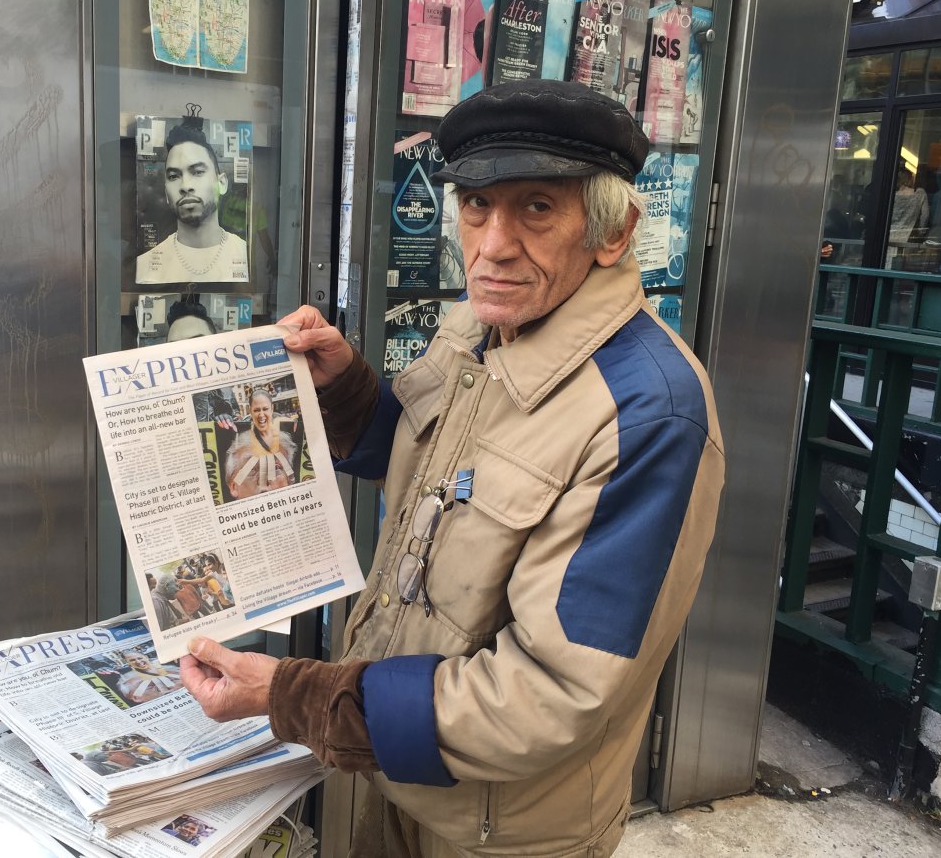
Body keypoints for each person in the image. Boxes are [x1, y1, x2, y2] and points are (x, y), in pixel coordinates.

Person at [179, 79, 725, 857]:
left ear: (612, 232)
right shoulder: (479, 325)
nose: (493, 243)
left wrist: (298, 698)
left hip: (504, 829)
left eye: (537, 207)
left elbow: (554, 694)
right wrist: (345, 392)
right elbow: (441, 468)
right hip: (400, 775)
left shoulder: (647, 413)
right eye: (475, 204)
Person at [136, 122, 249, 285]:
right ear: (166, 193)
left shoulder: (243, 254)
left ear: (222, 183)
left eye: (197, 172)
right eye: (174, 176)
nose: (185, 186)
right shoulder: (146, 266)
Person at [223, 389, 298, 500]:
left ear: (290, 479)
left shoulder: (281, 420)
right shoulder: (244, 421)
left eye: (275, 468)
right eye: (251, 470)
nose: (264, 485)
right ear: (233, 486)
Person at [115, 649, 181, 704]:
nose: (138, 661)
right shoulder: (129, 679)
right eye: (132, 660)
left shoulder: (168, 668)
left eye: (140, 658)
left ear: (146, 657)